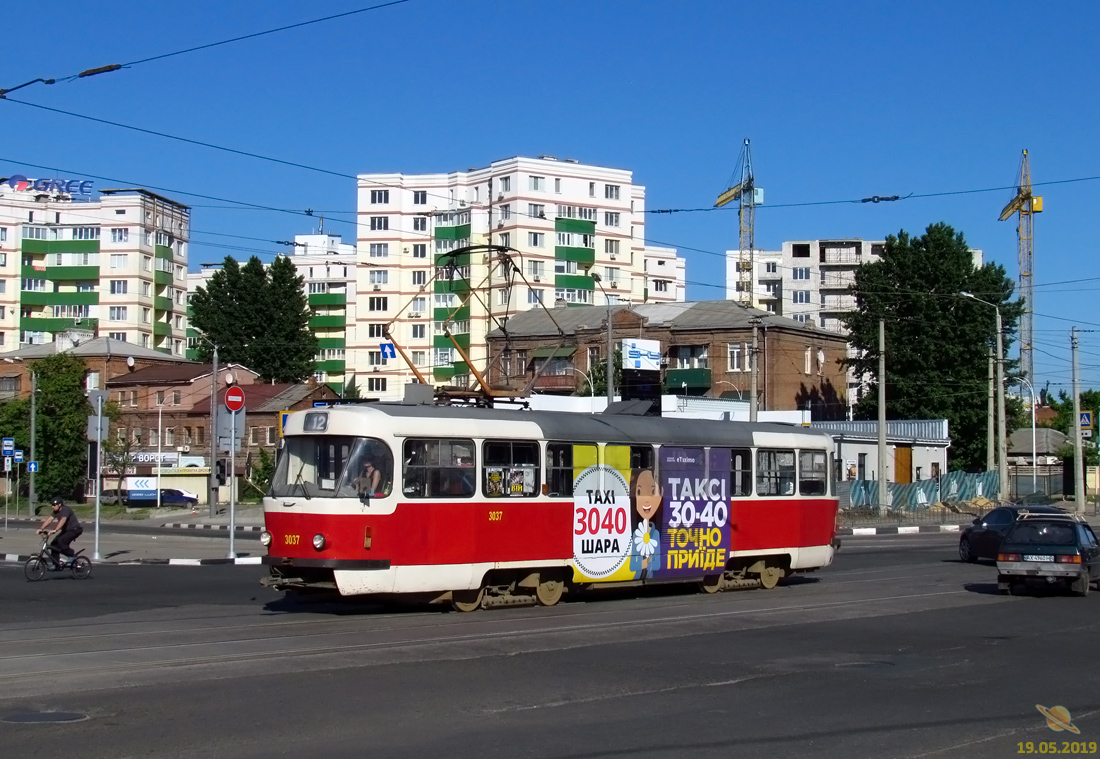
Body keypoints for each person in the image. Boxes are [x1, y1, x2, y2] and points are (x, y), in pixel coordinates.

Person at [38, 497, 83, 570]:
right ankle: (56, 565)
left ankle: (72, 555)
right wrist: (41, 528)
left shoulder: (65, 509)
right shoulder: (56, 511)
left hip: (75, 530)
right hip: (66, 531)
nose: (52, 506)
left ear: (59, 505)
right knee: (54, 544)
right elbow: (50, 519)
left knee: (61, 541)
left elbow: (63, 520)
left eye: (54, 505)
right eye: (52, 505)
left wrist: (55, 530)